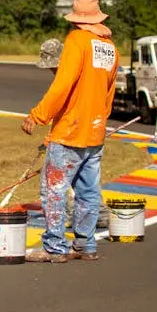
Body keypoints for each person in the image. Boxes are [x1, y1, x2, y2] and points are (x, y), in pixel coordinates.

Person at [21, 0, 119, 263]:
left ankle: (54, 247)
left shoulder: (76, 41)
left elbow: (62, 85)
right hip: (95, 131)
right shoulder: (109, 47)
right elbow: (110, 91)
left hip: (70, 132)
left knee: (54, 189)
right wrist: (99, 120)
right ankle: (86, 245)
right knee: (88, 191)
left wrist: (38, 115)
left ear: (76, 18)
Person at [35, 38, 110, 230]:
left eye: (54, 66)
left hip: (71, 136)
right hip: (89, 132)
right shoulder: (86, 72)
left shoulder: (68, 77)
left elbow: (61, 107)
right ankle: (91, 229)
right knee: (86, 185)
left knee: (54, 187)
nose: (52, 70)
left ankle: (57, 238)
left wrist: (37, 118)